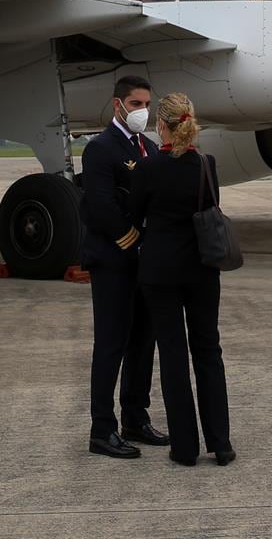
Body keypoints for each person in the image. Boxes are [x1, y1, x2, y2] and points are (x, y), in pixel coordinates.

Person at [128, 93, 234, 467]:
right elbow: (210, 208)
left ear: (161, 125)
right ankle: (220, 444)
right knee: (208, 351)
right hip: (202, 270)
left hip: (160, 272)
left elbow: (135, 214)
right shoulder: (206, 164)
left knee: (173, 356)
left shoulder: (147, 169)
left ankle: (185, 448)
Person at [79, 74, 167, 458]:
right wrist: (134, 240)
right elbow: (100, 207)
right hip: (114, 260)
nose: (142, 112)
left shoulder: (147, 147)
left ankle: (135, 417)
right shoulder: (100, 148)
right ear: (118, 105)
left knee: (142, 342)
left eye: (146, 104)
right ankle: (102, 429)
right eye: (135, 104)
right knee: (111, 343)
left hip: (143, 263)